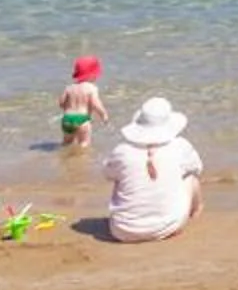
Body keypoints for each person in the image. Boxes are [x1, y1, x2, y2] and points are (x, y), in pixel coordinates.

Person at [102, 97, 204, 242]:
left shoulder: (122, 150)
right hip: (167, 227)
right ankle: (195, 212)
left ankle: (133, 213)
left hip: (122, 230)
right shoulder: (180, 146)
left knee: (120, 178)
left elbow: (107, 174)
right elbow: (197, 168)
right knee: (190, 178)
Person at [56, 56, 107, 150]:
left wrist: (68, 108)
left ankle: (64, 159)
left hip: (67, 118)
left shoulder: (69, 87)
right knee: (84, 144)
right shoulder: (91, 88)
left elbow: (61, 103)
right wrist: (103, 115)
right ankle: (80, 163)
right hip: (82, 119)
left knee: (66, 142)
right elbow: (96, 104)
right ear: (93, 74)